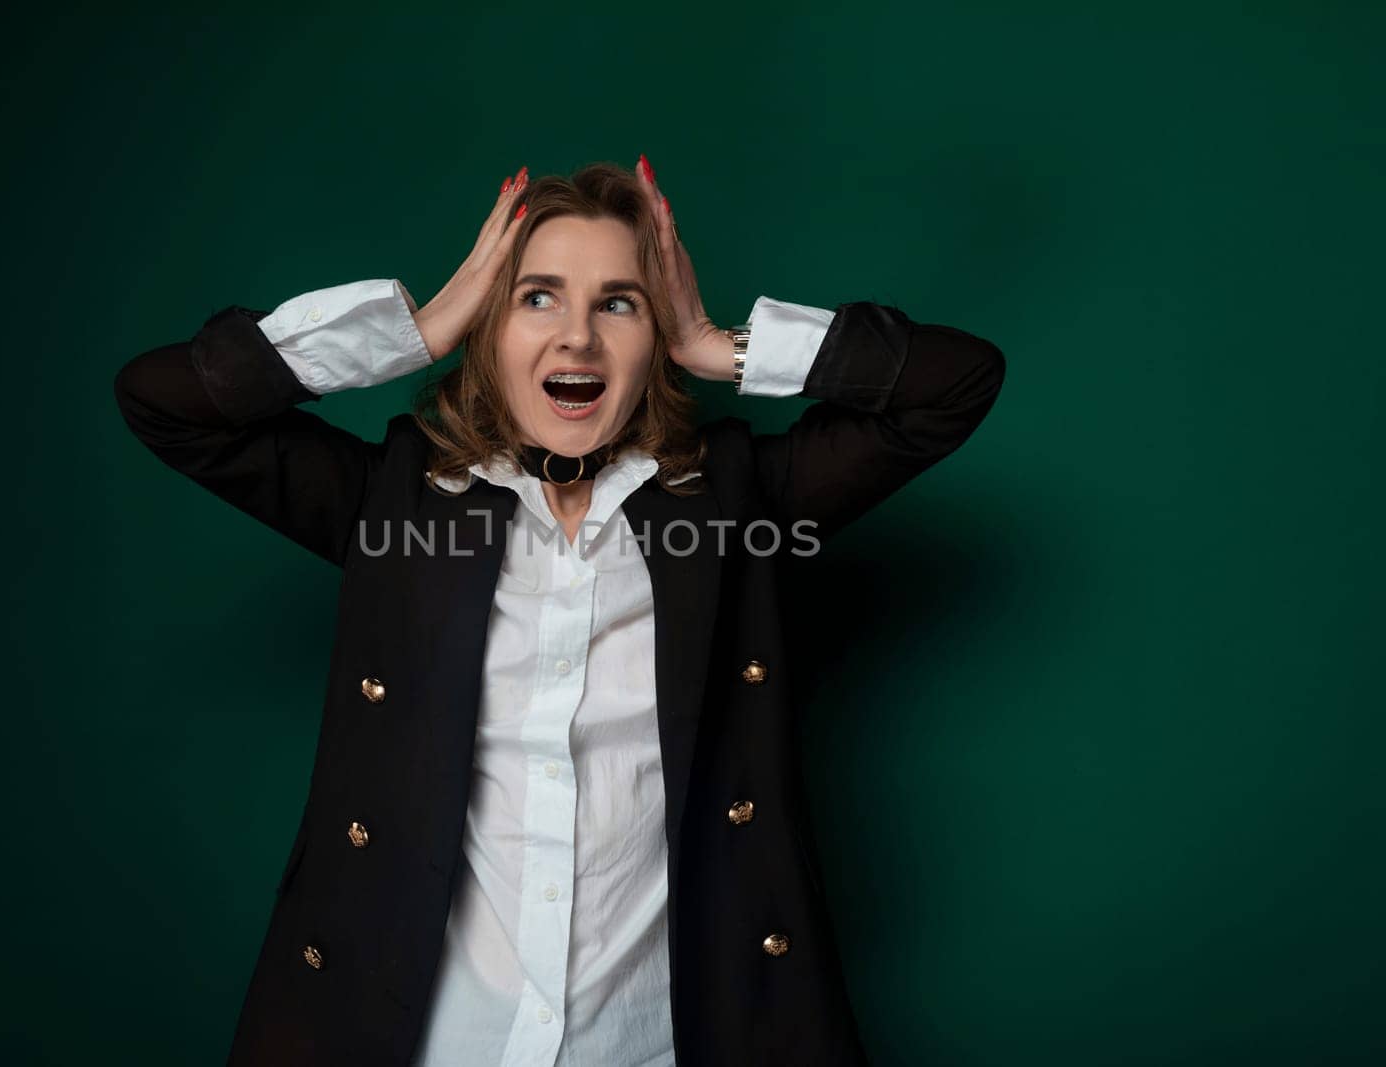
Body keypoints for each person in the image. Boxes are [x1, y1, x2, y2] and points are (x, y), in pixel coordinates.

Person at [113, 155, 1007, 1066]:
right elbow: (165, 402)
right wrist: (412, 332)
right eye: (537, 297)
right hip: (423, 1039)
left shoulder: (740, 500)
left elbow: (957, 384)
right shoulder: (397, 499)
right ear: (490, 325)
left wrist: (716, 343)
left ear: (651, 331)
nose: (576, 338)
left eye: (619, 302)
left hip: (659, 1041)